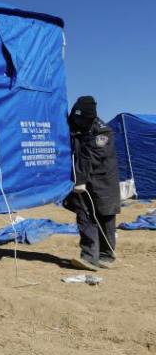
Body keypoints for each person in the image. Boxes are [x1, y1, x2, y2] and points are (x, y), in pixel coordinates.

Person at [65, 96, 121, 271]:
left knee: (105, 217)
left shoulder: (103, 133)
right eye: (75, 117)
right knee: (84, 216)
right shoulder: (71, 125)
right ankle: (89, 258)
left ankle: (106, 255)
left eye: (81, 119)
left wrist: (79, 180)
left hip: (103, 181)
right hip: (81, 180)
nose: (77, 121)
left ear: (90, 118)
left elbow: (90, 157)